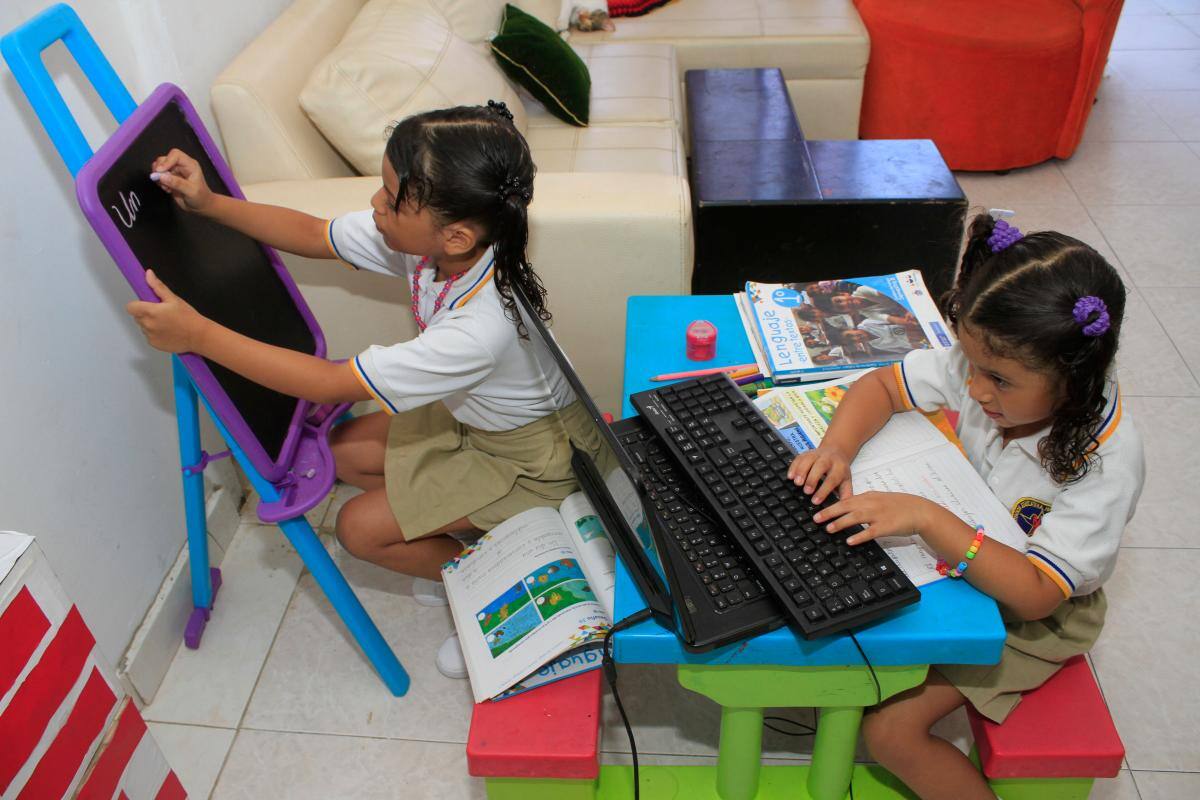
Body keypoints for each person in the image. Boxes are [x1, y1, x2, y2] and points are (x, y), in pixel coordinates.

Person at [126, 103, 599, 679]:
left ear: (453, 234)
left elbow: (329, 379)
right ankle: (454, 546)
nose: (375, 202)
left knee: (357, 530)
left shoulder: (481, 328)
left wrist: (197, 334)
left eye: (390, 194)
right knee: (344, 451)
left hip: (533, 459)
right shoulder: (439, 246)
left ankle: (493, 586)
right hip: (471, 420)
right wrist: (209, 204)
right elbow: (310, 233)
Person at [787, 215, 1144, 799]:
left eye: (998, 381)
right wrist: (837, 449)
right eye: (971, 367)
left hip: (1037, 617)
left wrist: (928, 518)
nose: (976, 391)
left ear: (1075, 380)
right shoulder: (995, 364)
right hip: (968, 557)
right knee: (837, 620)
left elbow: (1035, 593)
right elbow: (882, 386)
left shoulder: (1107, 459)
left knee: (890, 735)